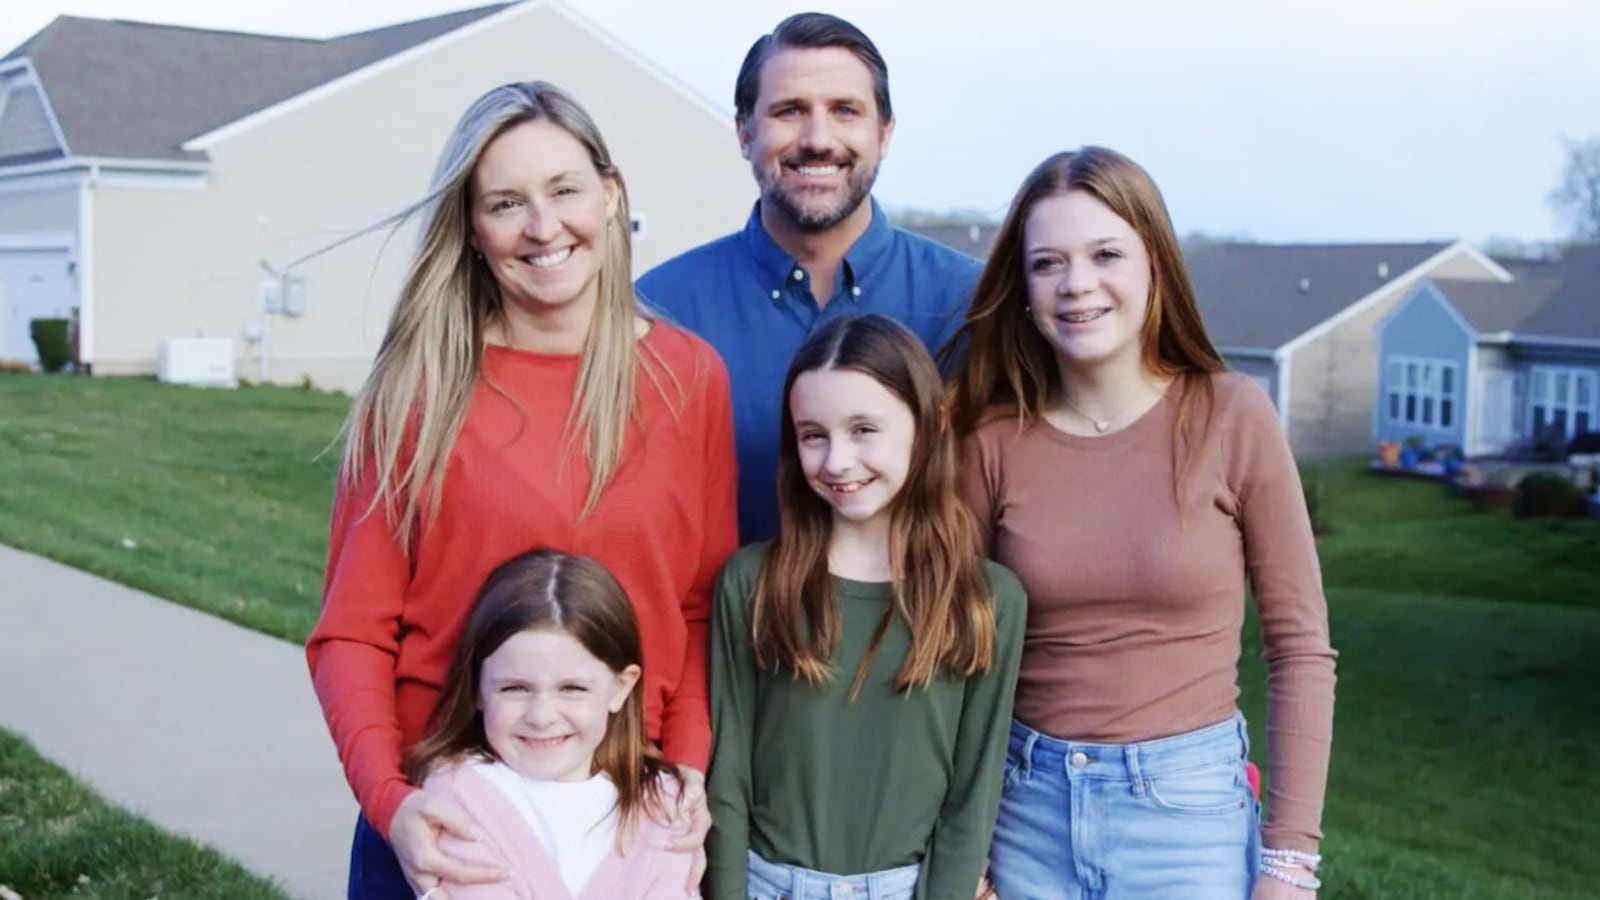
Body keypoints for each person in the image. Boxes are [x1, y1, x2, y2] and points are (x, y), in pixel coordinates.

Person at [305, 81, 736, 899]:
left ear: (610, 196)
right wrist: (391, 806)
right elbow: (352, 635)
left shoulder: (688, 379)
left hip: (626, 829)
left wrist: (683, 772)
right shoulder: (420, 385)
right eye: (506, 203)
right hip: (449, 826)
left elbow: (698, 610)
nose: (543, 228)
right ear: (471, 228)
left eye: (564, 191)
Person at [946, 147, 1337, 899]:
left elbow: (1301, 651)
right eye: (1048, 263)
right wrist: (969, 847)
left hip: (1189, 821)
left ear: (1155, 263)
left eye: (1105, 254)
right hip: (1023, 815)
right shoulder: (989, 439)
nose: (1077, 284)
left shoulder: (1232, 416)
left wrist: (1289, 861)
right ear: (1023, 287)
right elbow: (958, 662)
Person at [707, 314, 1026, 900]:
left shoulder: (987, 599)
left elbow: (974, 791)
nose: (837, 462)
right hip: (768, 884)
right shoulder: (752, 583)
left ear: (927, 428)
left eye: (863, 430)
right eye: (813, 435)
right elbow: (725, 776)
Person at [637, 12, 982, 543]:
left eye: (845, 111)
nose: (818, 139)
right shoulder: (657, 313)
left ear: (883, 133)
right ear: (744, 131)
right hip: (730, 624)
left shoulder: (971, 305)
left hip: (930, 623)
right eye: (789, 111)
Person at [406, 548, 701, 899]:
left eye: (572, 688)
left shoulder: (666, 804)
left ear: (620, 688)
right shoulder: (458, 793)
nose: (541, 716)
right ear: (478, 690)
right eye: (515, 688)